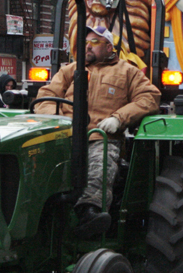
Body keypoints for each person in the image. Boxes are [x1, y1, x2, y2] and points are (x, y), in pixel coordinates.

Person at [34, 26, 161, 237]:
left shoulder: (127, 72)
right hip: (65, 136)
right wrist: (59, 121)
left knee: (100, 161)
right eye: (85, 43)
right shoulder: (69, 71)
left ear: (109, 47)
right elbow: (45, 97)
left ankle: (89, 212)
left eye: (94, 42)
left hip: (101, 137)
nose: (87, 47)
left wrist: (118, 118)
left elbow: (149, 98)